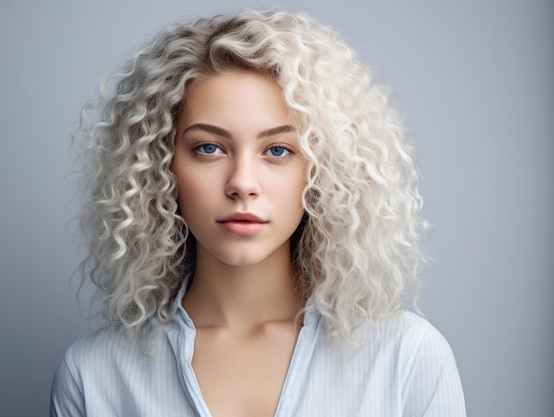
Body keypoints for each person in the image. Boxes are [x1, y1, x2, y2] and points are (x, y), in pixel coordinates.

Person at [50, 9, 466, 417]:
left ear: (321, 170)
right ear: (161, 167)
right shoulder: (94, 375)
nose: (242, 183)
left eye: (278, 150)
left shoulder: (406, 358)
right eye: (208, 148)